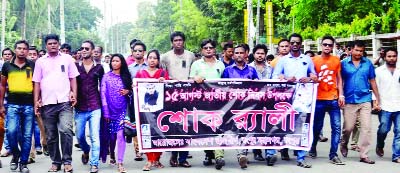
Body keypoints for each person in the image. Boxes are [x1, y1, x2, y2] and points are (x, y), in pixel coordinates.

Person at [32, 34, 79, 172]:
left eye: (55, 43)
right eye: (50, 43)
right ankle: (55, 161)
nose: (52, 45)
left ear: (58, 44)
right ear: (46, 45)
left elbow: (73, 78)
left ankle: (67, 161)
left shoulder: (67, 59)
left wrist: (74, 94)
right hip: (47, 102)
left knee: (66, 130)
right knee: (51, 135)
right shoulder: (40, 62)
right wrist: (36, 101)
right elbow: (37, 82)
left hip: (65, 101)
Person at [272, 33, 317, 168]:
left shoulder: (307, 59)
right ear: (290, 44)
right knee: (281, 125)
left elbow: (314, 76)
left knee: (302, 126)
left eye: (298, 42)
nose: (295, 45)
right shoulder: (283, 60)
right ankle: (273, 153)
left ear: (301, 44)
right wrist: (286, 78)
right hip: (286, 99)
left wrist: (309, 78)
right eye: (293, 42)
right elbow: (275, 76)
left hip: (303, 99)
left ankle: (301, 157)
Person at [340, 40, 380, 164]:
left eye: (361, 51)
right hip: (349, 100)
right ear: (350, 50)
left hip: (365, 99)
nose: (359, 53)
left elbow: (372, 81)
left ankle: (364, 154)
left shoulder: (367, 63)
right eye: (357, 50)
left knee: (366, 128)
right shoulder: (343, 64)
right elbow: (339, 81)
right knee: (348, 128)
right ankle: (344, 143)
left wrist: (377, 98)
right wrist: (340, 95)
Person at [160, 31, 196, 167]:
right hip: (171, 96)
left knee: (186, 127)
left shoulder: (190, 55)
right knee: (174, 126)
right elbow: (161, 74)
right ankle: (173, 155)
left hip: (188, 95)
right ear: (172, 42)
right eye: (175, 40)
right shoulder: (165, 57)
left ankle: (183, 158)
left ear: (184, 41)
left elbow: (194, 73)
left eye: (180, 40)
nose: (178, 42)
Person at [309, 36, 345, 165]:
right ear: (321, 45)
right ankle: (312, 146)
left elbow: (339, 78)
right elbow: (309, 76)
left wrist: (341, 95)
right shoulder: (313, 60)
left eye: (330, 45)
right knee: (316, 127)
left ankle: (333, 155)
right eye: (325, 44)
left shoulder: (336, 60)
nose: (327, 47)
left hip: (334, 99)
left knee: (336, 128)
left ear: (333, 46)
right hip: (319, 99)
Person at [0, 40, 35, 173]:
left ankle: (23, 163)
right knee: (11, 131)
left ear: (27, 51)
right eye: (19, 48)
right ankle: (16, 155)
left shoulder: (32, 65)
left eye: (24, 49)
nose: (22, 51)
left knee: (27, 135)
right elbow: (2, 85)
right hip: (12, 104)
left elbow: (37, 84)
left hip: (29, 105)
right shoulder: (7, 66)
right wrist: (1, 105)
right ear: (15, 50)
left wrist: (38, 101)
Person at [190, 39, 225, 170]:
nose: (208, 49)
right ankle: (209, 154)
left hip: (218, 102)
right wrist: (195, 79)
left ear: (215, 50)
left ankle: (219, 156)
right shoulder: (196, 64)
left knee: (218, 128)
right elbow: (189, 81)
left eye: (211, 47)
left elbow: (226, 83)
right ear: (202, 50)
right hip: (202, 102)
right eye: (205, 48)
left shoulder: (221, 65)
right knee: (205, 129)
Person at [222, 44, 259, 169]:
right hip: (232, 106)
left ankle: (243, 154)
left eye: (241, 53)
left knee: (246, 130)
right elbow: (221, 87)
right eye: (236, 53)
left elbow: (259, 86)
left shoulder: (252, 70)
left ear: (246, 54)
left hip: (248, 106)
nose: (238, 55)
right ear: (233, 55)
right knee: (233, 130)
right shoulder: (227, 70)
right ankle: (240, 154)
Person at [136, 49, 169, 171]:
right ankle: (150, 160)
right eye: (150, 57)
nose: (152, 60)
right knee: (147, 133)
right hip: (145, 110)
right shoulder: (141, 73)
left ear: (158, 60)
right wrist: (134, 86)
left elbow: (169, 89)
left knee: (159, 132)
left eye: (155, 58)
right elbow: (136, 89)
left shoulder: (162, 73)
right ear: (146, 59)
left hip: (160, 109)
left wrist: (164, 82)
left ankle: (157, 159)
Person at [75, 40, 104, 173]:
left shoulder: (99, 67)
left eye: (87, 48)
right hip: (80, 107)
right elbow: (70, 83)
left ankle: (94, 163)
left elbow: (103, 87)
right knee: (80, 136)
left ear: (92, 51)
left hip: (95, 106)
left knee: (94, 136)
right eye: (82, 48)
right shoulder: (75, 66)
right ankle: (86, 151)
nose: (84, 50)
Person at [100, 54, 132, 173]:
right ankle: (112, 154)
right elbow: (103, 95)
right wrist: (106, 112)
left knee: (120, 136)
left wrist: (128, 91)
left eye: (117, 61)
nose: (114, 63)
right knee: (111, 137)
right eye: (113, 61)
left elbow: (132, 92)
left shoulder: (126, 77)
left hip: (123, 111)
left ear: (121, 63)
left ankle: (120, 162)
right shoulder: (106, 77)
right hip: (109, 111)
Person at [374, 47, 400, 163]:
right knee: (384, 129)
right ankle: (380, 144)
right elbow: (375, 88)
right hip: (384, 106)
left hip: (399, 105)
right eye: (389, 56)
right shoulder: (379, 71)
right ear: (385, 57)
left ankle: (396, 155)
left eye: (394, 56)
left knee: (399, 131)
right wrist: (376, 102)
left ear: (397, 57)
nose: (391, 58)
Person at [128, 41, 148, 161]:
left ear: (144, 52)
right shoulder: (129, 68)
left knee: (147, 123)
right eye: (135, 51)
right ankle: (138, 150)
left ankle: (147, 147)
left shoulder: (151, 66)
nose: (138, 52)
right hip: (133, 100)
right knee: (135, 123)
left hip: (148, 101)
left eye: (140, 50)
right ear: (132, 53)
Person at [0, 48, 14, 158]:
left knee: (11, 127)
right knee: (3, 126)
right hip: (2, 101)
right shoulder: (1, 67)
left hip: (13, 101)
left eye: (9, 54)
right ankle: (7, 148)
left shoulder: (13, 67)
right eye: (5, 54)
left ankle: (12, 147)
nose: (7, 56)